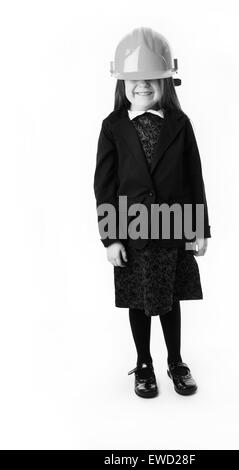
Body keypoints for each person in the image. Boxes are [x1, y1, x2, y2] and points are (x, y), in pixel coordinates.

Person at [93, 27, 211, 398]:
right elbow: (105, 186)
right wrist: (110, 238)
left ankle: (175, 361)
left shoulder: (180, 124)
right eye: (134, 80)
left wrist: (198, 228)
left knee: (169, 300)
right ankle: (143, 363)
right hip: (132, 234)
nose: (142, 86)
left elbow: (194, 178)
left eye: (151, 80)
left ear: (167, 81)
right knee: (138, 301)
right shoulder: (112, 127)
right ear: (121, 83)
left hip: (172, 230)